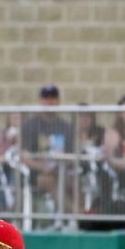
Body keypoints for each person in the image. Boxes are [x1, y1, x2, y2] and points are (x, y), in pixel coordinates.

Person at [20, 85, 74, 216]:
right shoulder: (30, 125)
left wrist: (60, 166)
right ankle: (75, 214)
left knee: (74, 181)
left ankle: (81, 213)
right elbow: (24, 155)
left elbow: (71, 154)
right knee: (49, 181)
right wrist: (43, 167)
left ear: (58, 101)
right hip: (35, 174)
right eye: (47, 98)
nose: (50, 102)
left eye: (53, 98)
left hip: (60, 170)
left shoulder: (66, 126)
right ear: (40, 101)